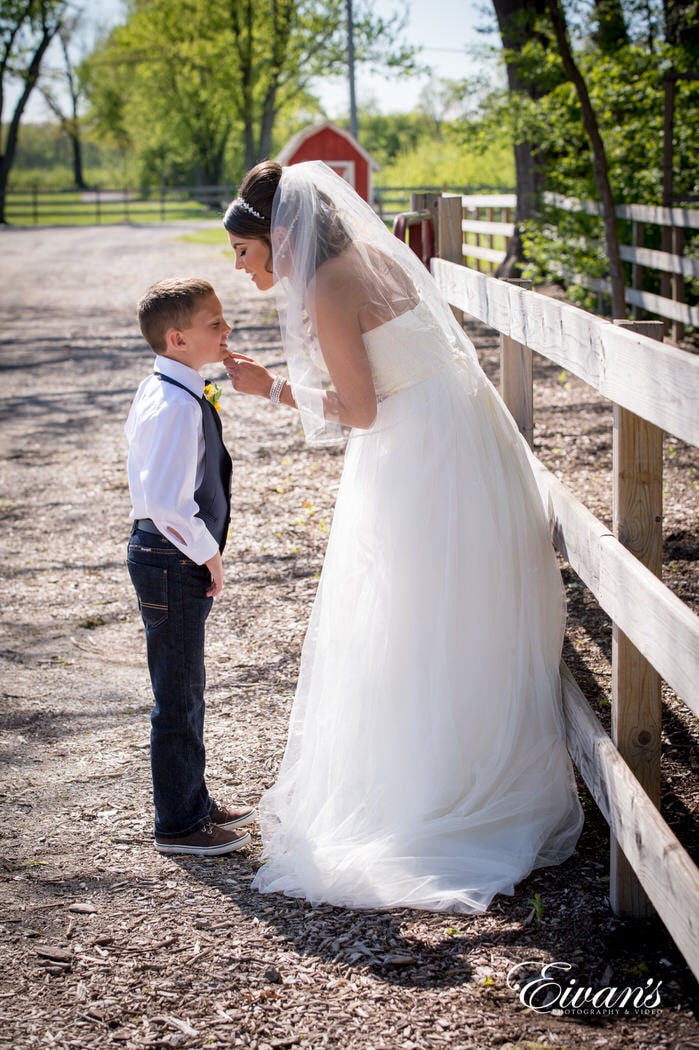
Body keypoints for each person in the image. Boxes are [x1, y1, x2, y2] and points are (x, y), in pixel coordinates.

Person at [222, 161, 583, 912]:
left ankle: (438, 786)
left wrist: (273, 390)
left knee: (417, 616)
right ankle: (478, 757)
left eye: (245, 251)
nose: (239, 266)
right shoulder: (377, 254)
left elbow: (360, 411)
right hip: (464, 433)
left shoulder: (325, 287)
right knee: (463, 607)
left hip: (418, 455)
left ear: (279, 235)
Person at [125, 277, 256, 857]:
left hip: (165, 553)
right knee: (176, 693)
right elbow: (164, 501)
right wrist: (208, 552)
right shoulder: (176, 405)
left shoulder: (172, 388)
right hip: (170, 556)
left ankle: (193, 798)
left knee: (190, 686)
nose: (226, 330)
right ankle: (178, 824)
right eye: (214, 324)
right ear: (177, 339)